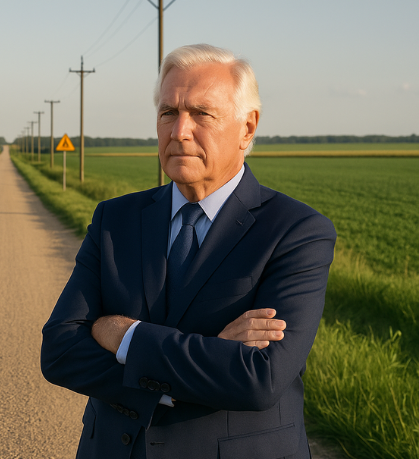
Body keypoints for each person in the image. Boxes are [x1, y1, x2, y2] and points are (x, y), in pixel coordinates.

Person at [40, 44, 336, 459]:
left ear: (247, 128)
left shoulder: (296, 232)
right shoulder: (115, 219)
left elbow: (259, 379)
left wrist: (124, 333)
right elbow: (60, 350)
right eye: (167, 113)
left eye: (201, 113)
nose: (179, 131)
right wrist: (211, 354)